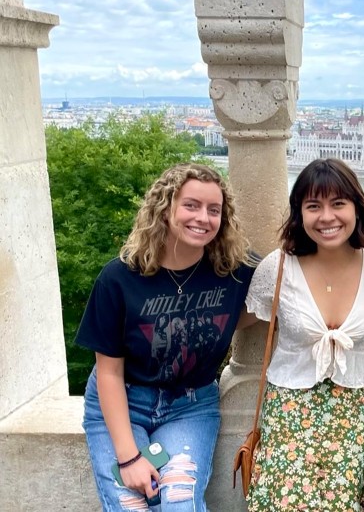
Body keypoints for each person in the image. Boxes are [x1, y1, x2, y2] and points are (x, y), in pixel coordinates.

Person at [76, 163, 257, 511]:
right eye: (191, 205)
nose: (202, 217)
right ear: (165, 208)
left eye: (214, 210)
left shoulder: (233, 270)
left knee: (179, 500)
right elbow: (109, 373)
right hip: (122, 401)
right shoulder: (120, 277)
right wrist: (129, 459)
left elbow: (290, 282)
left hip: (191, 406)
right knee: (131, 503)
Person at [245, 158, 364, 511]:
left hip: (351, 405)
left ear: (357, 208)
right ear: (300, 214)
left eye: (338, 204)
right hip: (288, 405)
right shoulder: (278, 265)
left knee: (345, 502)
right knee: (281, 502)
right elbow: (244, 318)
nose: (327, 217)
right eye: (314, 206)